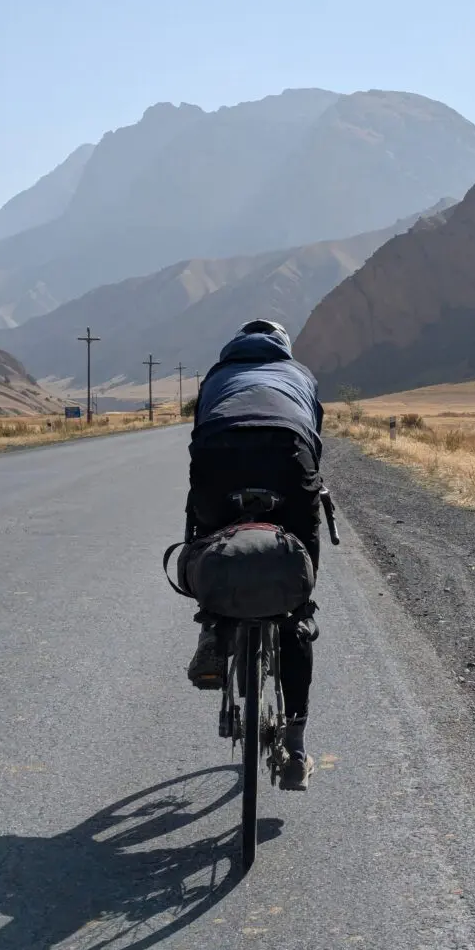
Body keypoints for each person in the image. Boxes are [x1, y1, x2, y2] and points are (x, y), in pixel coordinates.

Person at [185, 319, 324, 792]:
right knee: (297, 584)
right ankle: (297, 746)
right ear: (281, 348)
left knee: (208, 534)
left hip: (217, 456)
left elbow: (198, 431)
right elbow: (313, 438)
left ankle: (211, 626)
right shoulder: (300, 375)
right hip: (288, 453)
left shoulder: (215, 377)